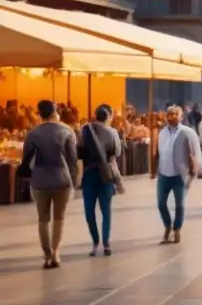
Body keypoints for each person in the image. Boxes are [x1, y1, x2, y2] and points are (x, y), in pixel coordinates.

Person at [19, 100, 78, 269]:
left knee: (43, 219)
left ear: (39, 114)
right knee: (59, 217)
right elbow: (72, 160)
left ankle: (46, 255)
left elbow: (26, 160)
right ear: (55, 113)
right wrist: (73, 180)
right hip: (62, 179)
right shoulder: (67, 131)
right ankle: (56, 252)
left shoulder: (32, 134)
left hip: (39, 180)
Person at [79, 105, 124, 257]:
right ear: (108, 117)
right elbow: (116, 154)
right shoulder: (112, 132)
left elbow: (79, 151)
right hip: (106, 175)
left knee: (89, 211)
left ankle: (95, 241)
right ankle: (106, 243)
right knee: (106, 210)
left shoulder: (85, 130)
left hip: (89, 174)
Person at [152, 105, 201, 244]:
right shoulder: (162, 133)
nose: (171, 117)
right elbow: (159, 153)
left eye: (174, 114)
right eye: (169, 114)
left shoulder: (187, 133)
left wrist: (194, 172)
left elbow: (195, 152)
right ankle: (168, 226)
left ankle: (177, 228)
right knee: (161, 204)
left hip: (179, 175)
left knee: (179, 204)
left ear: (180, 116)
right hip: (164, 174)